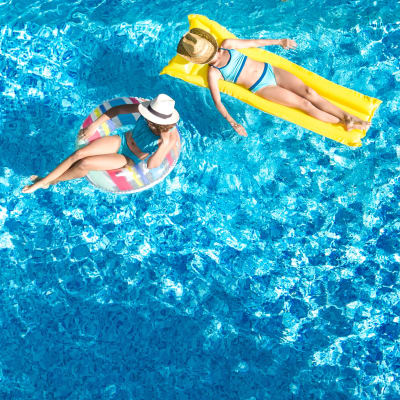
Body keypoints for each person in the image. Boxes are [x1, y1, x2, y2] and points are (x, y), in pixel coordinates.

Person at [177, 28, 370, 137]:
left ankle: (348, 117)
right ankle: (343, 122)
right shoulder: (213, 72)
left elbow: (253, 42)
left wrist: (279, 41)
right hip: (263, 88)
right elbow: (217, 101)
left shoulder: (227, 44)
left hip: (272, 71)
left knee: (310, 92)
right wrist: (234, 123)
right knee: (305, 104)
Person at [22, 94, 180, 193]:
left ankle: (49, 181)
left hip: (128, 158)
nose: (147, 119)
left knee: (85, 163)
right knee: (79, 153)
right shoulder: (147, 110)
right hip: (121, 140)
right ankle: (43, 181)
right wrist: (94, 125)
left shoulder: (168, 138)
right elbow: (117, 110)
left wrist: (164, 144)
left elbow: (151, 165)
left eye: (151, 120)